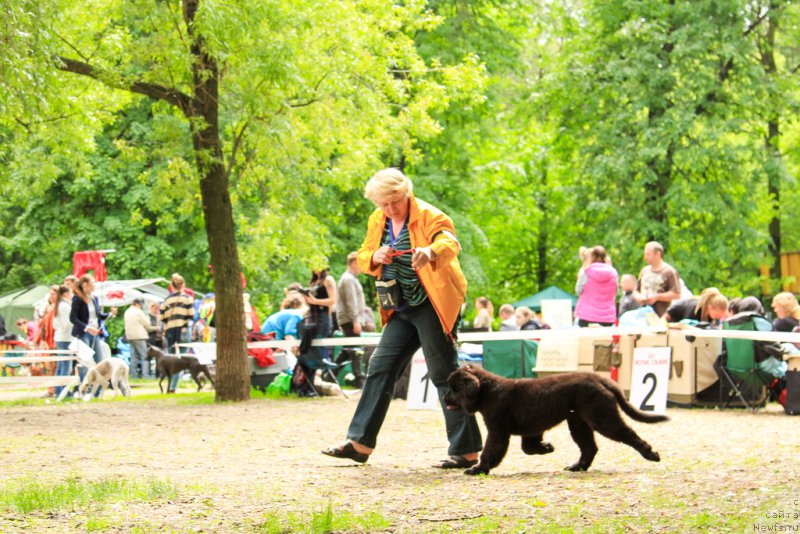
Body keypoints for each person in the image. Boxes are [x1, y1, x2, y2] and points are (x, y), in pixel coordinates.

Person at [322, 168, 482, 468]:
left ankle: (467, 451)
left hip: (432, 303)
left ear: (406, 193)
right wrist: (375, 257)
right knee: (380, 366)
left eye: (395, 201)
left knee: (443, 373)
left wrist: (430, 251)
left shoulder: (430, 215)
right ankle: (359, 443)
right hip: (399, 306)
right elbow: (364, 255)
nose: (390, 208)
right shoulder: (377, 220)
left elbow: (450, 242)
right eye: (384, 203)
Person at [70, 274, 117, 395]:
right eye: (93, 283)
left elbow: (99, 316)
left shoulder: (94, 298)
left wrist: (110, 314)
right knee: (85, 362)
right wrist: (87, 328)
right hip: (83, 333)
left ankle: (98, 391)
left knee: (100, 361)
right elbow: (73, 318)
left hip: (95, 333)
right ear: (85, 285)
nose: (95, 285)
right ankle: (85, 390)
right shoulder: (77, 299)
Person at [335, 252, 367, 386]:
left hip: (350, 319)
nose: (362, 268)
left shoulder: (351, 279)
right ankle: (359, 380)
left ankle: (329, 375)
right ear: (354, 263)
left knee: (349, 350)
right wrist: (356, 320)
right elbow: (351, 301)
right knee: (356, 350)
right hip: (350, 319)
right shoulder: (348, 279)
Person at [159, 273, 195, 393]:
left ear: (172, 286)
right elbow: (191, 315)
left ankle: (170, 386)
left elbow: (161, 318)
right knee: (180, 362)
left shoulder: (166, 300)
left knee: (172, 360)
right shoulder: (187, 298)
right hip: (183, 331)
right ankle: (172, 387)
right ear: (183, 285)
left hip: (170, 332)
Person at [574, 245, 618, 327]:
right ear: (605, 257)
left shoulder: (586, 272)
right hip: (607, 317)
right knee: (605, 339)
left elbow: (578, 290)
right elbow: (615, 292)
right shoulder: (613, 273)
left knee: (586, 339)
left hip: (586, 316)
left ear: (592, 257)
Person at [636, 241, 681, 317]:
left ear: (658, 254)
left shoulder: (669, 272)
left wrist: (656, 297)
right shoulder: (644, 271)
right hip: (643, 315)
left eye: (648, 254)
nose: (645, 257)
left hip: (661, 316)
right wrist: (639, 297)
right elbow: (636, 291)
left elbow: (676, 294)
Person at [124, 298, 156, 379]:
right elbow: (147, 323)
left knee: (133, 357)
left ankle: (133, 375)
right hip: (140, 336)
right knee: (144, 356)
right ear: (138, 304)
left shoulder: (127, 312)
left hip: (130, 336)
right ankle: (145, 375)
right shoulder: (138, 311)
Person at [664, 287, 729, 325]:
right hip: (671, 320)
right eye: (718, 315)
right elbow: (686, 325)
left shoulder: (711, 317)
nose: (719, 317)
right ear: (710, 307)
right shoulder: (695, 309)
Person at [52, 284, 74, 398]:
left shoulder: (59, 305)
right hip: (66, 338)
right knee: (65, 366)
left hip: (60, 337)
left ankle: (59, 390)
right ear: (66, 293)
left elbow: (55, 324)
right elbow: (67, 323)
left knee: (61, 365)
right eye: (70, 293)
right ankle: (63, 391)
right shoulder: (65, 306)